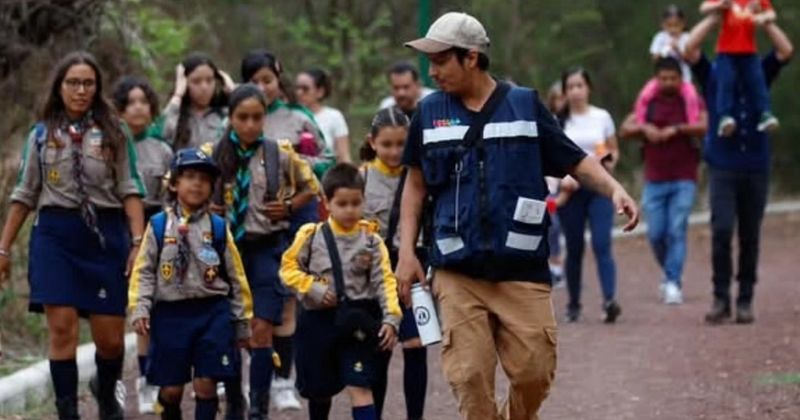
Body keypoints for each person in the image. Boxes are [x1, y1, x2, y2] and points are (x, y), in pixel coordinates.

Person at [397, 12, 638, 420]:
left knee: (534, 373)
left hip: (521, 266)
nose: (431, 72)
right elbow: (415, 186)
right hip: (457, 268)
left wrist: (615, 188)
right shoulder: (428, 113)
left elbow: (574, 160)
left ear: (471, 57)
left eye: (440, 61)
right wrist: (407, 252)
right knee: (468, 376)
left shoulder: (525, 106)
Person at [0, 51, 146, 420]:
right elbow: (24, 194)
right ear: (59, 87)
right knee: (62, 329)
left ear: (97, 88)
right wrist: (3, 249)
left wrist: (137, 242)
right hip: (56, 237)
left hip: (104, 236)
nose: (80, 90)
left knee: (110, 339)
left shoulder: (115, 132)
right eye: (73, 83)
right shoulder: (41, 135)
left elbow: (130, 188)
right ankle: (68, 412)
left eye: (88, 83)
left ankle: (105, 390)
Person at [211, 84, 316, 419]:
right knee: (230, 330)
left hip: (266, 249)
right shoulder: (214, 154)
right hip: (227, 251)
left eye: (257, 117)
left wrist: (289, 206)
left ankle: (258, 408)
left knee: (261, 329)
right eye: (242, 117)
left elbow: (311, 186)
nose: (250, 124)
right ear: (230, 118)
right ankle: (234, 402)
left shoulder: (278, 153)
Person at [683, 14, 793, 323]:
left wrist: (764, 21)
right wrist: (716, 16)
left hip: (756, 164)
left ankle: (745, 298)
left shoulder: (759, 72)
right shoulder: (715, 73)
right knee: (721, 229)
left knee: (750, 234)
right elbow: (689, 48)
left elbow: (785, 51)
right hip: (723, 165)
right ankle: (720, 297)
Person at [128, 147, 252, 420]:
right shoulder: (158, 225)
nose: (197, 184)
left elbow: (236, 277)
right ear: (174, 183)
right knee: (172, 389)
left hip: (212, 312)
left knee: (206, 383)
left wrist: (241, 322)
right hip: (171, 315)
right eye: (190, 177)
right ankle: (166, 407)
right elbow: (144, 271)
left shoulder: (218, 227)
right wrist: (140, 308)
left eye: (204, 179)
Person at [280, 163, 402, 420]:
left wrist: (392, 318)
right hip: (318, 322)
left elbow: (385, 281)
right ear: (326, 202)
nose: (350, 210)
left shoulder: (372, 240)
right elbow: (287, 269)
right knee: (319, 391)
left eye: (356, 203)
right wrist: (311, 287)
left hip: (357, 322)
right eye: (342, 204)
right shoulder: (311, 235)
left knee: (361, 386)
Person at [239, 49, 325, 412]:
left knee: (286, 298)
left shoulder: (299, 118)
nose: (262, 87)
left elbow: (324, 163)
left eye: (268, 80)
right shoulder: (233, 120)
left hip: (291, 220)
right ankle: (252, 378)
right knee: (249, 306)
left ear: (279, 79)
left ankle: (283, 380)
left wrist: (298, 166)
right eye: (254, 81)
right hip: (247, 227)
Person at [619, 57, 709, 305]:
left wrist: (677, 129)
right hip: (655, 177)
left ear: (681, 79)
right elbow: (625, 128)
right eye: (663, 78)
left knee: (676, 229)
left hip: (684, 176)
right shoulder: (648, 100)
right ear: (656, 79)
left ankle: (673, 282)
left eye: (673, 78)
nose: (668, 82)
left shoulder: (691, 99)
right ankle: (670, 272)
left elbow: (704, 125)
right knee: (656, 233)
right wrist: (645, 129)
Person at [359, 107, 428, 420]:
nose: (394, 151)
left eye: (401, 144)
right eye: (387, 144)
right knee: (380, 348)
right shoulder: (361, 178)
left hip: (416, 267)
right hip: (375, 274)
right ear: (372, 142)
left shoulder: (420, 175)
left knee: (416, 343)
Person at [112, 75, 173, 414]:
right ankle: (114, 380)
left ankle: (149, 379)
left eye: (143, 102)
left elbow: (172, 197)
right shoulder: (110, 146)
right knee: (121, 307)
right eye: (130, 102)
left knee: (151, 307)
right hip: (116, 227)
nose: (138, 108)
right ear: (119, 110)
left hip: (155, 228)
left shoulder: (162, 150)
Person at [556, 67, 623, 323]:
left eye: (580, 86)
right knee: (574, 247)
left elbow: (613, 149)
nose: (575, 91)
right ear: (564, 91)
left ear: (589, 88)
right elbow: (552, 155)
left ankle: (609, 300)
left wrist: (608, 163)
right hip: (571, 191)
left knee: (602, 243)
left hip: (599, 189)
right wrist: (564, 178)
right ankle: (573, 303)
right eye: (570, 87)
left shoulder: (602, 117)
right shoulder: (558, 121)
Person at [699, 0, 779, 136]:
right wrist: (719, 5)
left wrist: (763, 17)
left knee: (757, 82)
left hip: (749, 51)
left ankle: (764, 113)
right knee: (726, 82)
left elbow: (772, 13)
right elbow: (704, 7)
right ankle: (725, 115)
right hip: (726, 51)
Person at [162, 53, 235, 150]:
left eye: (209, 80)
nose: (204, 87)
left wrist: (233, 92)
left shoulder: (225, 115)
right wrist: (178, 94)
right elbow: (161, 133)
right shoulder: (177, 116)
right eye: (196, 81)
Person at [295, 68, 353, 164]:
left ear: (320, 92)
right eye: (297, 88)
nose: (299, 93)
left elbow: (344, 156)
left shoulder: (334, 117)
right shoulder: (289, 116)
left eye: (305, 89)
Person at [545, 81, 566, 288]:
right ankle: (554, 265)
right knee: (552, 225)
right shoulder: (548, 121)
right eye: (559, 98)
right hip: (551, 185)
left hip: (569, 183)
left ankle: (560, 265)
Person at [650, 4, 694, 82]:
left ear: (683, 24)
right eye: (669, 25)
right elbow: (655, 59)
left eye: (676, 25)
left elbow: (690, 59)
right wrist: (665, 50)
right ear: (663, 25)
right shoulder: (660, 37)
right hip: (663, 79)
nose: (673, 29)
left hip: (684, 78)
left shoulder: (687, 38)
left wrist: (678, 50)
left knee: (690, 90)